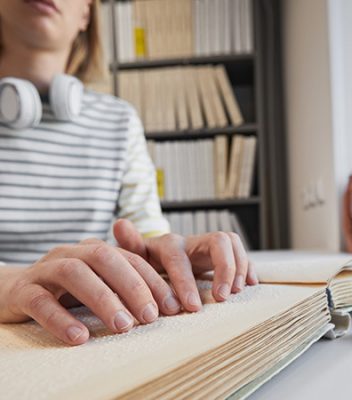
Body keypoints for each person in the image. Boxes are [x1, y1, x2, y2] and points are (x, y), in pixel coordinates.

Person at [0, 0, 258, 346]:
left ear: (86, 15)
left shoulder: (119, 121)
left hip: (88, 327)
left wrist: (166, 254)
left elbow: (143, 235)